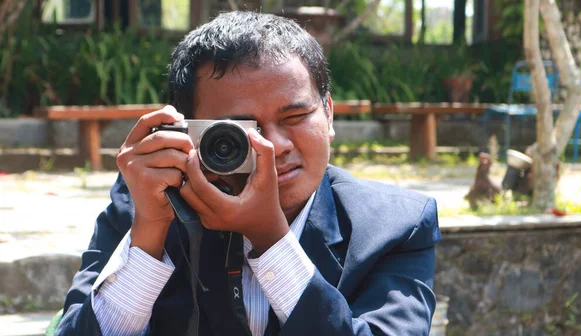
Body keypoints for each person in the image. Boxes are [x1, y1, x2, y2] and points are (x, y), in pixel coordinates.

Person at [56, 11, 441, 336]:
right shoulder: (146, 198)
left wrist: (271, 240)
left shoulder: (395, 226)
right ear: (189, 131)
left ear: (329, 113)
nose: (274, 147)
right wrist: (148, 236)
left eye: (295, 117)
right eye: (238, 132)